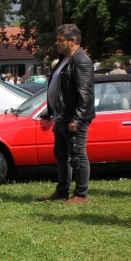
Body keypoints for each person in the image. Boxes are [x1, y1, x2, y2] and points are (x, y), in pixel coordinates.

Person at [38, 24, 95, 204]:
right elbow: (59, 90)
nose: (57, 43)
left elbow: (85, 94)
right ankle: (62, 190)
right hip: (61, 116)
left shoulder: (81, 61)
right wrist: (52, 110)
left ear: (73, 41)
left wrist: (77, 118)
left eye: (61, 40)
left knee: (78, 155)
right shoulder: (64, 60)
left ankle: (81, 194)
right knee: (61, 154)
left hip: (73, 118)